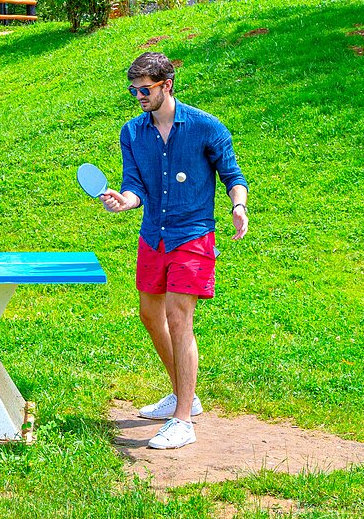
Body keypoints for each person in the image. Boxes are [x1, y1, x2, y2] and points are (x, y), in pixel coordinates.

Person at [99, 52, 249, 450]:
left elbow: (233, 175)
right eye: (133, 90)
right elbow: (135, 186)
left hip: (193, 235)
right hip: (154, 236)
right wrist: (125, 201)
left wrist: (238, 206)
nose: (138, 96)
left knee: (178, 317)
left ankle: (183, 420)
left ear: (167, 85)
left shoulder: (206, 127)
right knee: (151, 315)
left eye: (144, 89)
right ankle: (186, 395)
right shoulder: (131, 132)